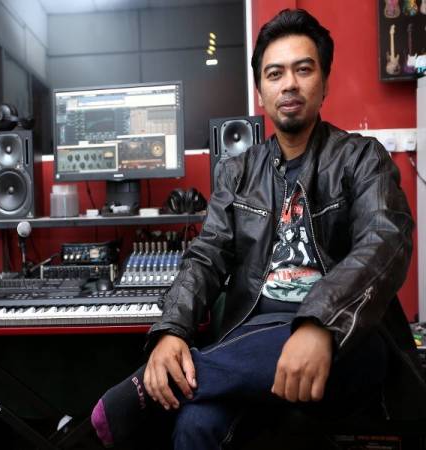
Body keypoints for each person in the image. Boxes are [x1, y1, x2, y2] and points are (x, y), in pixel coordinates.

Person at [91, 8, 426, 449]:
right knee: (195, 423)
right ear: (260, 91)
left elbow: (385, 240)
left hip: (346, 335)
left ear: (324, 82)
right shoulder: (238, 172)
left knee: (201, 383)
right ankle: (188, 379)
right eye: (275, 73)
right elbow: (206, 257)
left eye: (303, 70)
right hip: (252, 339)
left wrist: (319, 323)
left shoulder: (362, 158)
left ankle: (149, 392)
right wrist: (172, 329)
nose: (289, 84)